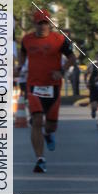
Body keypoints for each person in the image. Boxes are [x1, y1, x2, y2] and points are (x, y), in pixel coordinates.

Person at [20, 9, 77, 173]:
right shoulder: (26, 40)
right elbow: (23, 53)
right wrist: (20, 66)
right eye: (40, 23)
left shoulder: (59, 40)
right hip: (33, 87)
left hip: (53, 87)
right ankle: (40, 158)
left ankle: (48, 134)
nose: (43, 26)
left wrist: (62, 70)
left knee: (51, 126)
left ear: (50, 24)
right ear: (34, 24)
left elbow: (72, 59)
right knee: (37, 120)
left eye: (46, 23)